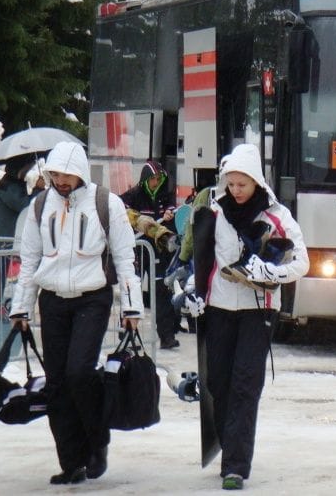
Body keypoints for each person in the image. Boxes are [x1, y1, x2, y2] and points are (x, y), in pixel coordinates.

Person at [10, 142, 143, 484]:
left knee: (79, 373)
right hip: (52, 300)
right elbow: (29, 261)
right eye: (54, 174)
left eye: (66, 174)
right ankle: (71, 461)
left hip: (91, 298)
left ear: (81, 171)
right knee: (57, 383)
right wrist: (20, 307)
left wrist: (132, 305)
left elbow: (125, 258)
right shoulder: (39, 206)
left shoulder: (106, 203)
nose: (60, 180)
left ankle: (97, 443)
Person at [186, 143, 309, 491]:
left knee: (245, 384)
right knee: (218, 383)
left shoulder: (277, 216)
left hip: (259, 311)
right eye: (231, 184)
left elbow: (301, 263)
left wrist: (268, 271)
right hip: (220, 308)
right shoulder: (213, 212)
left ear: (256, 181)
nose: (235, 191)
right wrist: (194, 294)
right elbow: (201, 260)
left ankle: (236, 465)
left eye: (242, 184)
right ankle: (230, 447)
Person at [121, 159, 179, 349]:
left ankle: (166, 336)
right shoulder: (133, 195)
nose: (156, 182)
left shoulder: (166, 195)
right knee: (132, 290)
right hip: (139, 250)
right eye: (153, 179)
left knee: (162, 290)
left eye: (158, 178)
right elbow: (119, 209)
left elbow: (173, 214)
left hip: (159, 251)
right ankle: (127, 335)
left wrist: (171, 215)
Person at [0, 153, 37, 310]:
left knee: (6, 285)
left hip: (6, 243)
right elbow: (25, 205)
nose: (29, 170)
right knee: (3, 286)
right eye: (27, 166)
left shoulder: (13, 184)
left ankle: (1, 320)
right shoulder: (8, 186)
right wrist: (37, 190)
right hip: (3, 245)